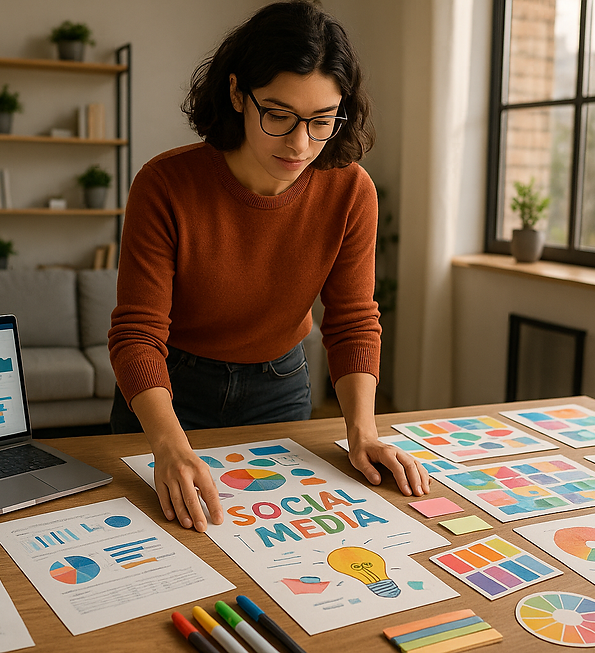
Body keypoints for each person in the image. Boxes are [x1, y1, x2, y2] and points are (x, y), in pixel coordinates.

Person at [108, 0, 429, 532]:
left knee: (267, 539)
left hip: (278, 385)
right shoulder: (165, 185)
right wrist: (168, 443)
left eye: (322, 121)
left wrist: (363, 431)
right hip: (170, 390)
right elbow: (138, 334)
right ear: (237, 93)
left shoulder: (351, 192)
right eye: (278, 115)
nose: (300, 144)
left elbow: (351, 321)